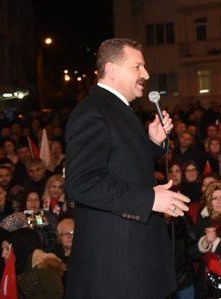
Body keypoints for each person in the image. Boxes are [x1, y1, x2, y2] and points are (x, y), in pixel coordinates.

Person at [65, 38, 190, 299]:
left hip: (132, 257)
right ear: (112, 70)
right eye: (138, 67)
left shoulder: (118, 109)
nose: (145, 74)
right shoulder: (93, 111)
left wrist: (153, 143)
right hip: (116, 266)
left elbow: (121, 164)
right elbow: (82, 183)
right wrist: (150, 198)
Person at [5, 227, 64, 298]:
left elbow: (55, 293)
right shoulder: (23, 263)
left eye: (9, 248)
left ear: (20, 246)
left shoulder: (44, 265)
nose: (3, 253)